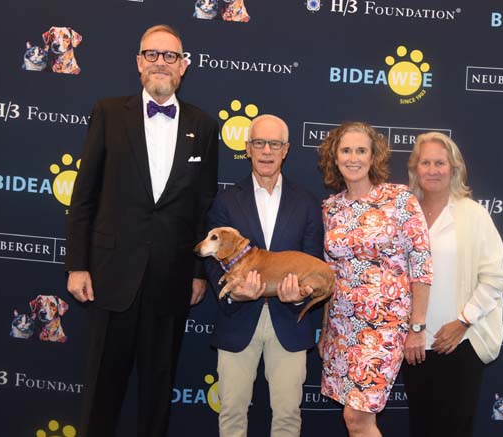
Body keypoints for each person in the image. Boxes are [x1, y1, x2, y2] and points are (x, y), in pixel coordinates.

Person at [65, 24, 219, 437]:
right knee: (102, 395)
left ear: (183, 66)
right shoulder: (109, 113)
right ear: (138, 62)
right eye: (152, 54)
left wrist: (198, 271)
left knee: (157, 398)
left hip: (170, 283)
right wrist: (77, 265)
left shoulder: (204, 126)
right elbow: (84, 196)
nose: (161, 63)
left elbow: (204, 206)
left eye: (170, 56)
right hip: (111, 278)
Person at [204, 114, 323, 437]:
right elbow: (213, 262)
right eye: (259, 143)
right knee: (231, 415)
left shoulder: (308, 203)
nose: (267, 151)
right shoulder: (226, 201)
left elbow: (313, 262)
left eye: (274, 144)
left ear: (286, 150)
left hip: (290, 320)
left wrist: (302, 291)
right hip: (238, 319)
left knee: (287, 417)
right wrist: (231, 292)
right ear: (247, 149)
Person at [317, 121, 432, 437]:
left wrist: (417, 327)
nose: (353, 158)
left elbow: (421, 264)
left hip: (384, 327)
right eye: (346, 150)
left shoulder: (399, 199)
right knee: (353, 419)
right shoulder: (330, 208)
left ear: (374, 156)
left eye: (361, 150)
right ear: (335, 156)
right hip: (342, 327)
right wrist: (326, 331)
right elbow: (330, 275)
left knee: (358, 418)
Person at [402, 132, 503, 437]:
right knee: (421, 428)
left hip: (460, 344)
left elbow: (495, 277)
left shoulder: (473, 215)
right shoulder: (405, 214)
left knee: (454, 430)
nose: (433, 170)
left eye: (440, 163)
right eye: (425, 163)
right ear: (415, 169)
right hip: (415, 345)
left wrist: (462, 322)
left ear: (454, 168)